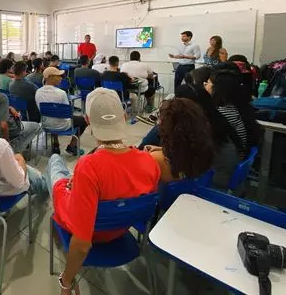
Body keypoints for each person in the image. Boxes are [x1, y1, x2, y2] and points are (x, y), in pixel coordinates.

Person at [45, 93, 214, 294]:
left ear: (88, 121)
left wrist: (66, 281)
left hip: (81, 222)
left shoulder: (88, 166)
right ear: (124, 117)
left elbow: (82, 244)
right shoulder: (153, 165)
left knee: (55, 164)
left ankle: (37, 182)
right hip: (119, 230)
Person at [0, 67, 41, 154]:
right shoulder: (2, 97)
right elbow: (3, 126)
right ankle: (14, 149)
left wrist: (8, 108)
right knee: (35, 126)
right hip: (4, 132)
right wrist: (6, 144)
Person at [204, 69, 261, 159]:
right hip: (238, 156)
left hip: (229, 162)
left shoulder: (222, 112)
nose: (205, 86)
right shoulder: (237, 106)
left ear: (217, 88)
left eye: (207, 83)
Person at [35, 67, 87, 155]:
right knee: (84, 120)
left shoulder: (38, 92)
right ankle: (72, 146)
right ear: (50, 77)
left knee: (52, 115)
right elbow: (67, 113)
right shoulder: (61, 93)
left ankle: (56, 144)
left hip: (45, 124)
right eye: (58, 76)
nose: (61, 78)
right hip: (62, 125)